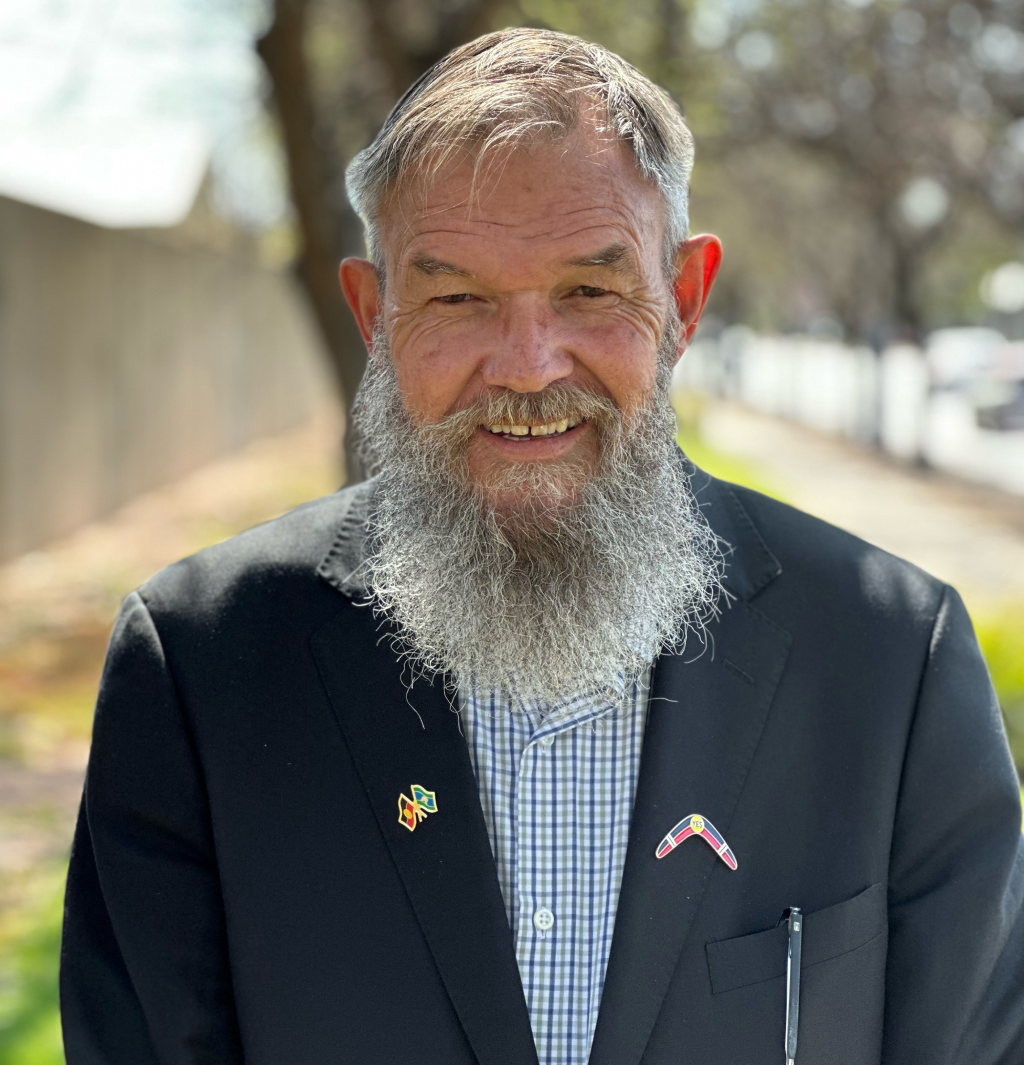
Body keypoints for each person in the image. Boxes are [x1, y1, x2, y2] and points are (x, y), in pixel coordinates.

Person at [60, 28, 1024, 1065]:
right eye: (459, 297)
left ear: (683, 302)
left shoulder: (890, 661)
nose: (526, 366)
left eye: (589, 290)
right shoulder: (202, 668)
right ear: (376, 316)